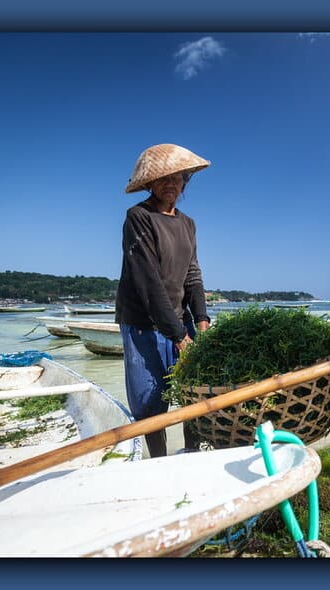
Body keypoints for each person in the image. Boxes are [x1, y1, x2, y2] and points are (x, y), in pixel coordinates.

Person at [115, 143, 212, 458]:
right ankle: (159, 462)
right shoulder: (138, 218)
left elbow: (192, 274)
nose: (171, 184)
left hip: (177, 322)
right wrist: (178, 335)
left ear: (185, 181)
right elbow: (148, 282)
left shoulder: (188, 224)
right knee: (151, 401)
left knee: (192, 395)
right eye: (163, 179)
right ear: (149, 183)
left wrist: (202, 320)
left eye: (178, 178)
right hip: (143, 323)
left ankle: (191, 454)